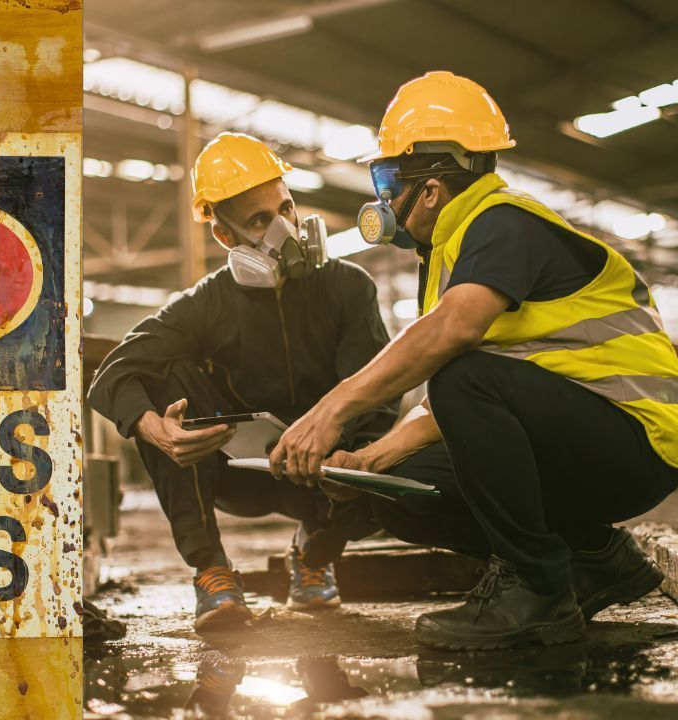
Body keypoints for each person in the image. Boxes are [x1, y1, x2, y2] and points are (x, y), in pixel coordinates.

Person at [270, 71, 678, 650]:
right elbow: (471, 403)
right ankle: (594, 560)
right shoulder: (452, 254)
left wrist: (332, 408)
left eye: (387, 178)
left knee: (463, 371)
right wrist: (371, 461)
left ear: (430, 188)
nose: (383, 198)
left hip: (640, 442)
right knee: (402, 493)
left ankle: (536, 590)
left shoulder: (502, 222)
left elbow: (459, 348)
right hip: (585, 434)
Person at [88, 132, 397, 633]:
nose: (285, 228)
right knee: (165, 380)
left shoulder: (348, 287)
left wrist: (343, 446)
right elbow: (115, 372)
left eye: (287, 208)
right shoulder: (205, 304)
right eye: (260, 220)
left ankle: (314, 553)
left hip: (325, 473)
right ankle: (212, 571)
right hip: (239, 471)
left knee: (380, 433)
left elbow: (378, 396)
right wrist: (156, 430)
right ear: (226, 236)